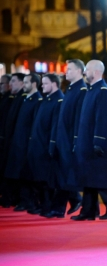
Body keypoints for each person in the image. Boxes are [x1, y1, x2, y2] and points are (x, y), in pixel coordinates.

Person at [70, 60, 107, 220]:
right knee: (90, 177)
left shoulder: (102, 91)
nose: (85, 72)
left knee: (100, 178)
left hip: (97, 143)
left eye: (87, 70)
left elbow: (103, 119)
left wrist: (98, 141)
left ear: (97, 71)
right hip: (88, 142)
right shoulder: (93, 90)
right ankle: (89, 211)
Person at [50, 59, 87, 217]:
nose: (67, 72)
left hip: (70, 140)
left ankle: (59, 208)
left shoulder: (81, 90)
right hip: (62, 138)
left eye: (70, 69)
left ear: (79, 71)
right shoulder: (71, 89)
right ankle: (74, 199)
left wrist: (75, 141)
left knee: (66, 173)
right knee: (62, 173)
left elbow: (79, 119)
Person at [5, 73, 43, 212]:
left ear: (33, 84)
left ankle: (30, 202)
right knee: (19, 173)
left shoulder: (37, 100)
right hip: (18, 141)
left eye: (26, 82)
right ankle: (24, 200)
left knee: (27, 174)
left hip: (27, 142)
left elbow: (34, 124)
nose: (24, 85)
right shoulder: (26, 99)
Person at [28, 74, 65, 217]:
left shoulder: (59, 100)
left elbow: (55, 126)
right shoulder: (46, 100)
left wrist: (51, 145)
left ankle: (51, 207)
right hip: (38, 145)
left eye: (45, 83)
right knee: (40, 180)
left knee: (48, 181)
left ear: (54, 84)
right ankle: (44, 206)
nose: (42, 86)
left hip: (47, 147)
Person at [0, 73, 26, 208]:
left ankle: (15, 197)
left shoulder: (21, 98)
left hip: (17, 141)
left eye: (14, 81)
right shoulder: (14, 98)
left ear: (22, 83)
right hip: (10, 139)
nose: (11, 84)